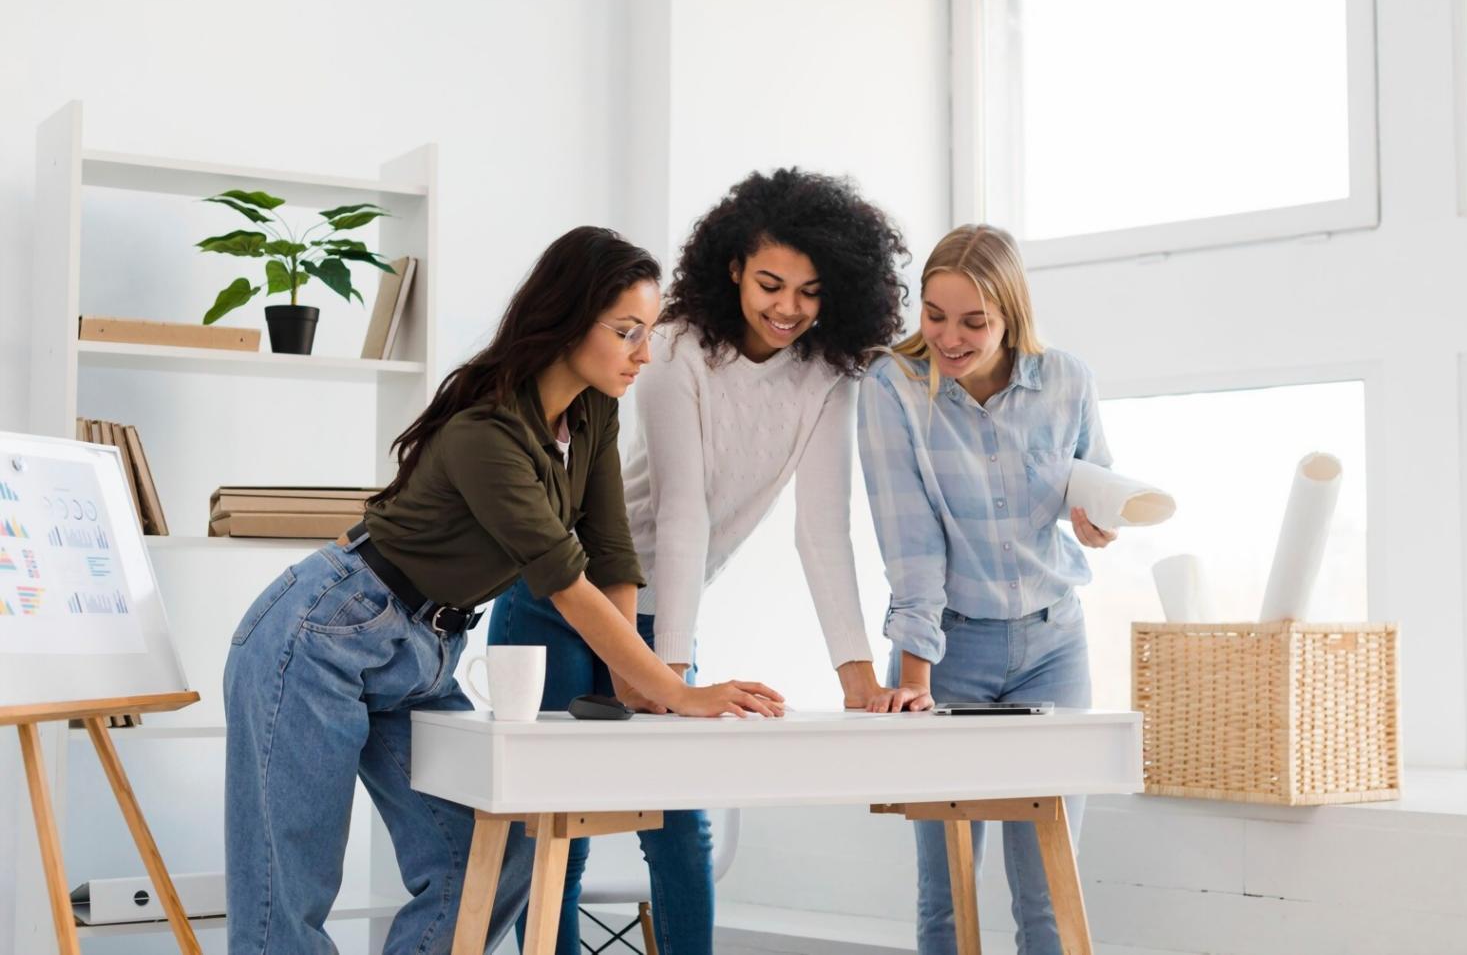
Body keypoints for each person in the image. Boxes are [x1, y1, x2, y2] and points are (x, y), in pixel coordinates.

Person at [223, 226, 783, 955]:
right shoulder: (484, 432)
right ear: (568, 318)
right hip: (323, 632)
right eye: (626, 332)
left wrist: (631, 680)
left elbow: (609, 548)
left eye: (648, 333)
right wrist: (678, 691)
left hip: (425, 653)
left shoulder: (592, 411)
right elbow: (564, 581)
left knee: (494, 856)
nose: (644, 354)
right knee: (287, 899)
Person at [487, 168, 910, 953]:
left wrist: (858, 676)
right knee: (560, 832)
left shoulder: (828, 378)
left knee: (681, 833)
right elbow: (682, 514)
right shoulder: (673, 346)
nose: (788, 308)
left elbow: (822, 528)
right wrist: (670, 678)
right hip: (560, 599)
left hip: (658, 620)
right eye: (771, 283)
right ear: (733, 270)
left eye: (811, 292)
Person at [857, 224, 1118, 955]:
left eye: (974, 321)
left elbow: (1092, 487)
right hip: (948, 652)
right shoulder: (892, 388)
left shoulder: (1067, 379)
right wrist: (914, 676)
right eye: (934, 315)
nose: (949, 336)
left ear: (1011, 315)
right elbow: (909, 542)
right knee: (948, 891)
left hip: (1053, 647)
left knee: (1046, 888)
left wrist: (1098, 522)